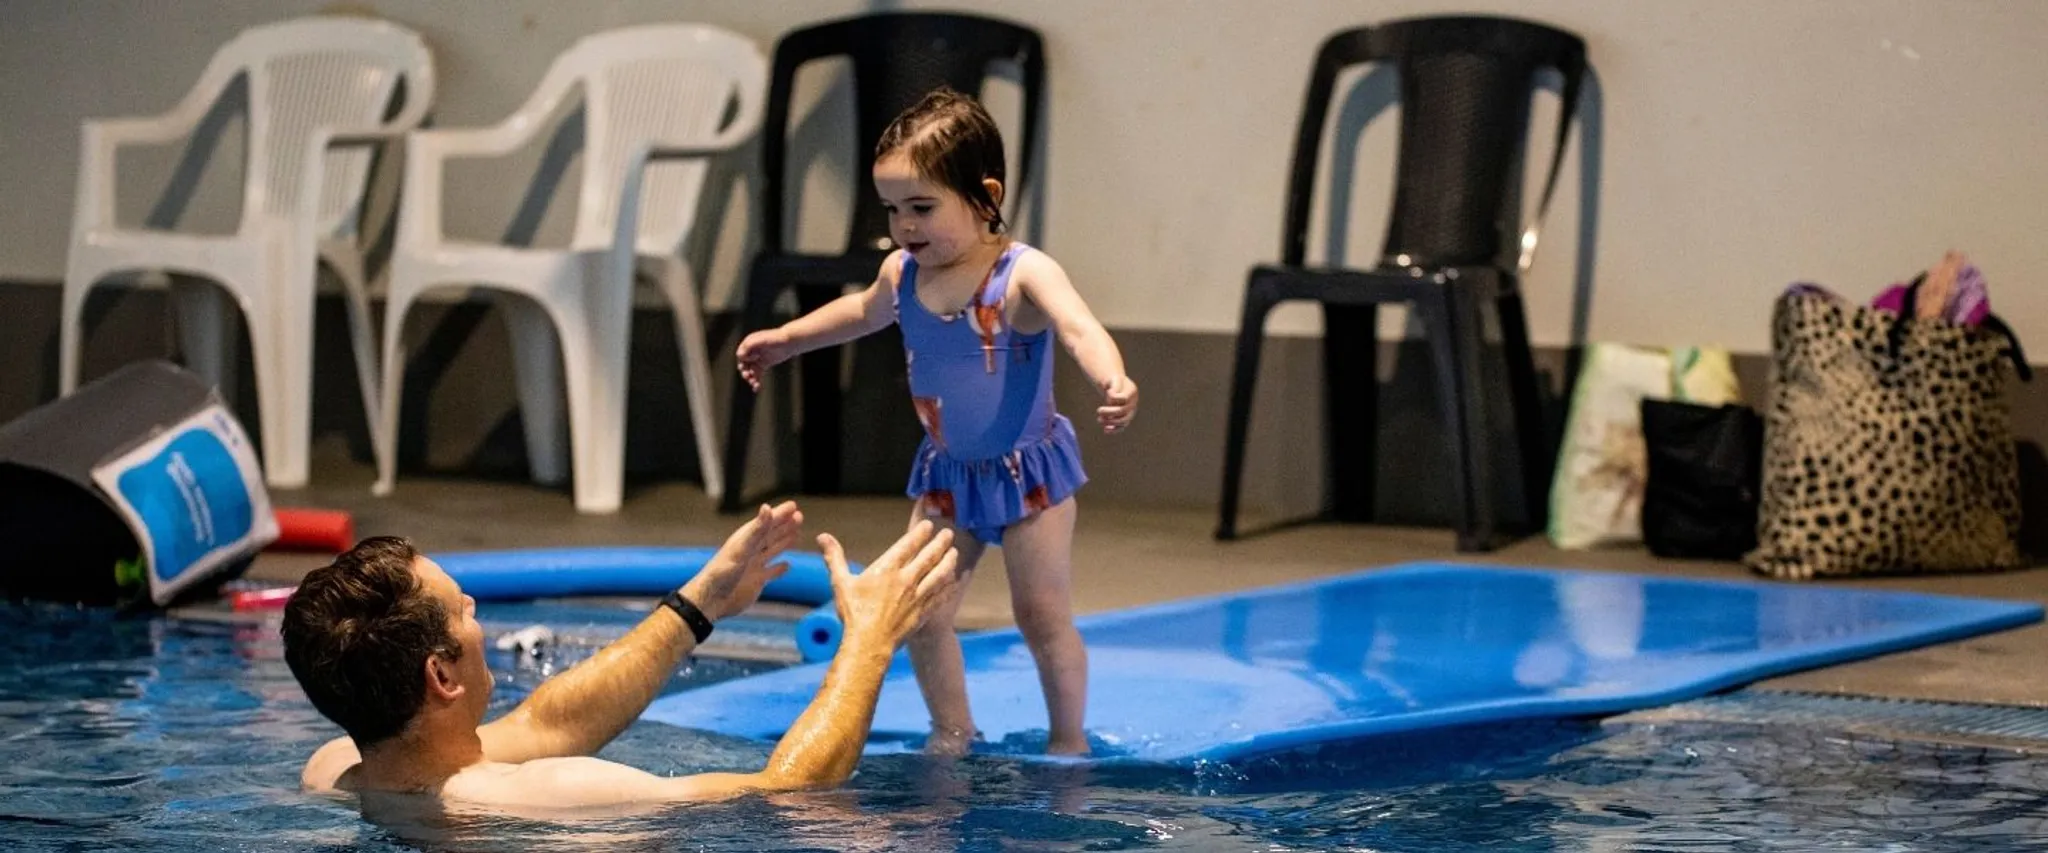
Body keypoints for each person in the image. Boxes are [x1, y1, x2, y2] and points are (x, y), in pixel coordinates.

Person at [736, 87, 1138, 756]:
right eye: (893, 209)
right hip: (949, 475)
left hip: (1027, 475)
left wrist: (1111, 376)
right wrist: (786, 339)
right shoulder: (901, 273)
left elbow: (1077, 325)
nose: (905, 225)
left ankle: (1069, 739)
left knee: (1041, 616)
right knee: (920, 609)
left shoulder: (1020, 274)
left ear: (984, 197)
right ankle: (953, 729)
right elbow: (858, 313)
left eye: (922, 207)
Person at [283, 501, 964, 810]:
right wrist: (870, 639)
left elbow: (548, 723)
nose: (475, 608)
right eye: (463, 612)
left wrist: (699, 604)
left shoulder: (336, 768)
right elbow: (789, 792)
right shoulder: (551, 800)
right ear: (441, 675)